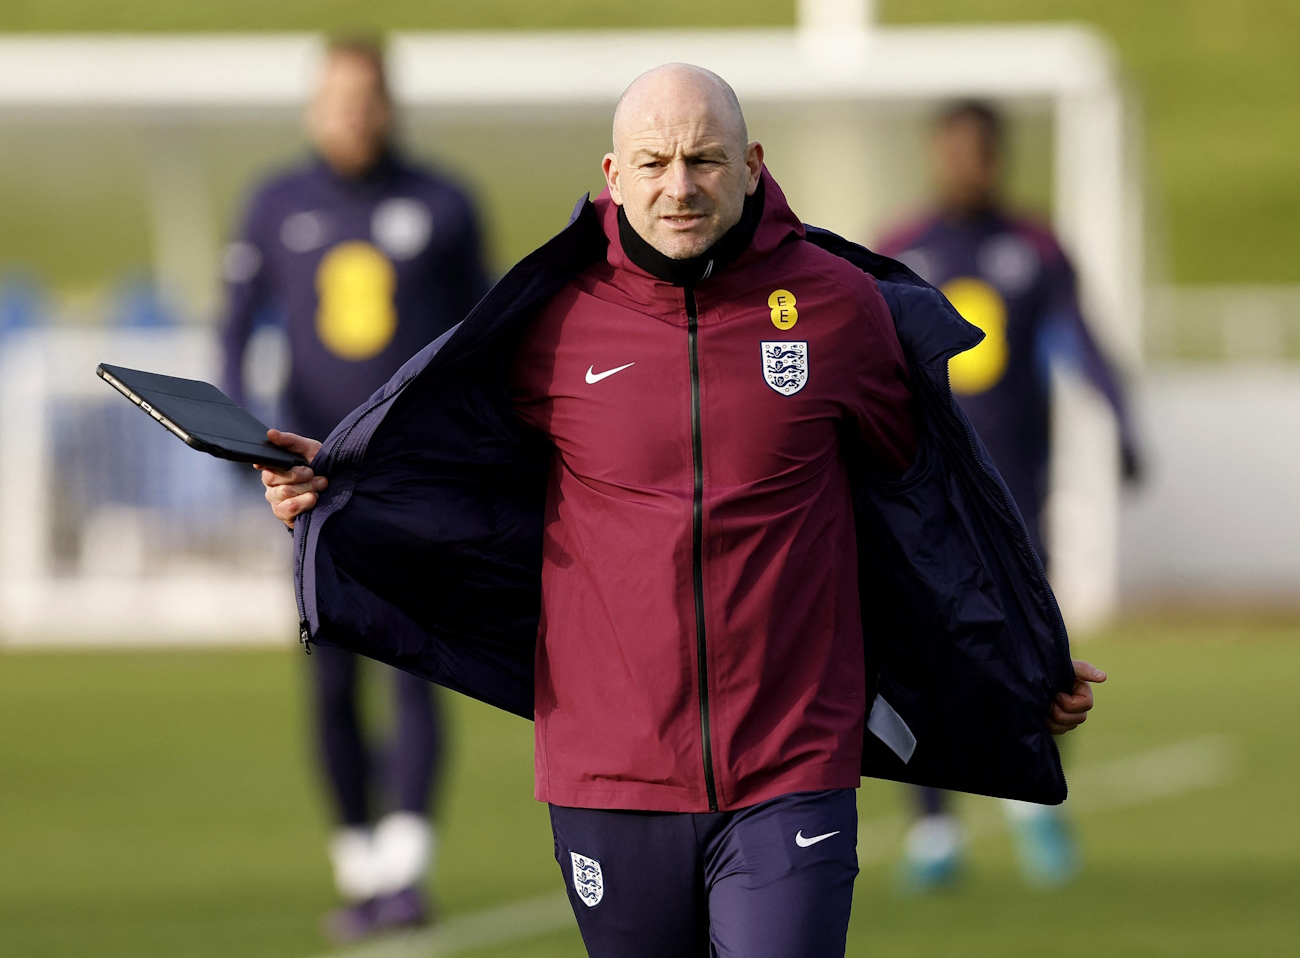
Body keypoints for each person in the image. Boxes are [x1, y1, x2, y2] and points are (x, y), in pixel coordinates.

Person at [257, 65, 1104, 958]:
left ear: (751, 165)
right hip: (608, 772)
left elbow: (926, 513)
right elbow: (459, 477)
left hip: (792, 764)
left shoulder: (840, 310)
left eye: (704, 159)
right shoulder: (551, 321)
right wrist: (341, 485)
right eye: (654, 161)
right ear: (613, 175)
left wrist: (1018, 657)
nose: (679, 185)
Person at [218, 37, 489, 940]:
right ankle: (360, 861)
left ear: (390, 104)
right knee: (331, 677)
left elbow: (483, 339)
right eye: (336, 98)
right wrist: (237, 439)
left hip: (414, 481)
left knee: (413, 663)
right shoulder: (275, 204)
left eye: (366, 97)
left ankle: (407, 869)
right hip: (308, 483)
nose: (352, 114)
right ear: (313, 108)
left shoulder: (444, 204)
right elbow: (232, 334)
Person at [877, 100, 1139, 890]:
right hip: (922, 495)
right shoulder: (897, 249)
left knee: (1038, 653)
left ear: (998, 158)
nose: (965, 165)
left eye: (978, 152)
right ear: (934, 155)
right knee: (918, 649)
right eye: (951, 150)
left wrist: (1122, 421)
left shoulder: (1036, 248)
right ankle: (933, 834)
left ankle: (1037, 804)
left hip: (1015, 495)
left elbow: (1078, 341)